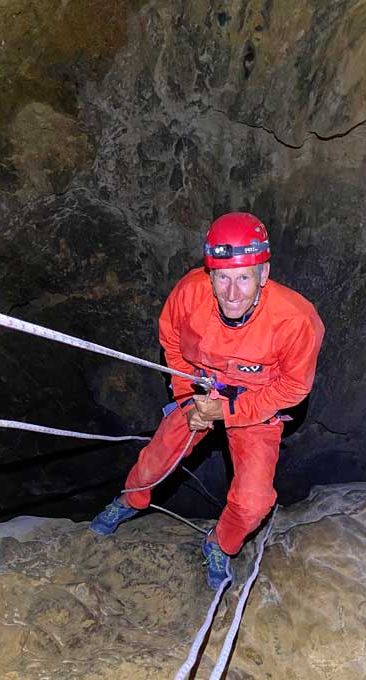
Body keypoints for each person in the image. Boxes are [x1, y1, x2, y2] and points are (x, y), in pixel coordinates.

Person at [90, 212, 325, 589]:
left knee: (253, 502)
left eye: (244, 278)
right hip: (202, 388)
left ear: (263, 274)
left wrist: (229, 410)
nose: (232, 292)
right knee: (157, 456)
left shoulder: (295, 321)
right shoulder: (189, 295)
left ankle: (220, 542)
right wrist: (188, 400)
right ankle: (130, 499)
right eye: (222, 278)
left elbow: (293, 389)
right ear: (210, 274)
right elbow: (171, 343)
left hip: (256, 403)